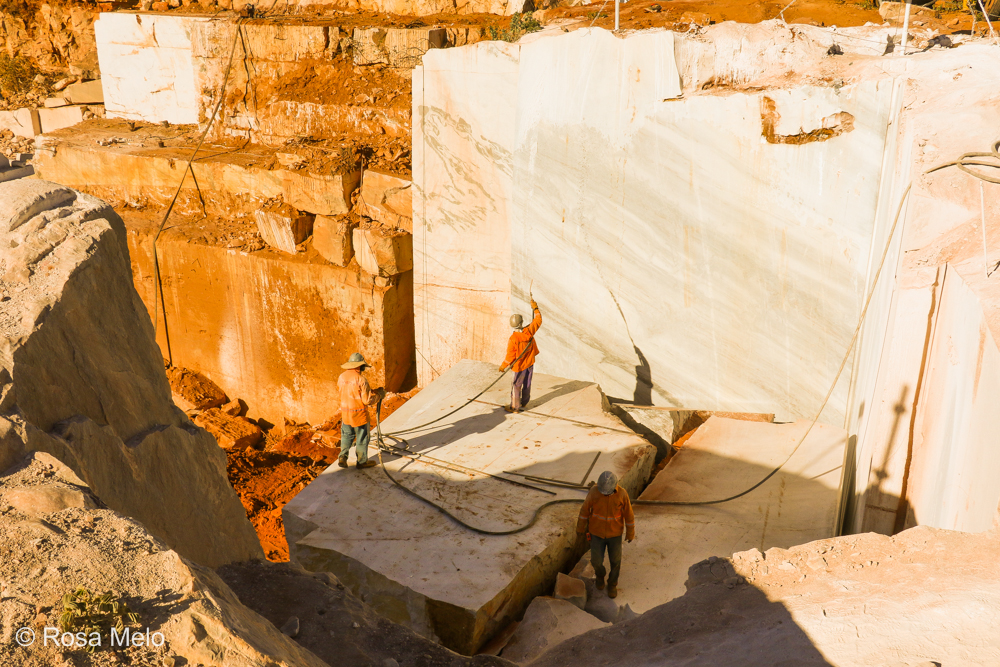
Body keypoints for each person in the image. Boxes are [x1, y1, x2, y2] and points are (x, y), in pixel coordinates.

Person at [576, 471, 635, 599]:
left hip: (615, 535)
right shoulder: (594, 492)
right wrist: (580, 528)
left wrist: (630, 533)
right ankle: (600, 576)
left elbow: (629, 515)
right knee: (596, 561)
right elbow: (585, 510)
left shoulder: (622, 494)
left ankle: (612, 584)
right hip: (596, 534)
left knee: (616, 561)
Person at [337, 352, 384, 469]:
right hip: (359, 415)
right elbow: (367, 400)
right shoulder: (361, 379)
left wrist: (372, 391)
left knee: (346, 436)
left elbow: (348, 392)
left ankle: (342, 457)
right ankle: (362, 461)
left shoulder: (341, 377)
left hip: (346, 413)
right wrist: (379, 396)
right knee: (362, 438)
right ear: (359, 366)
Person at [499, 298, 542, 413]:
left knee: (516, 386)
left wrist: (503, 366)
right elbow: (538, 320)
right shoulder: (529, 331)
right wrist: (535, 308)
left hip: (519, 367)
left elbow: (510, 356)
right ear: (521, 322)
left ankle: (515, 407)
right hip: (529, 364)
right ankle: (524, 402)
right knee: (527, 384)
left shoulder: (513, 339)